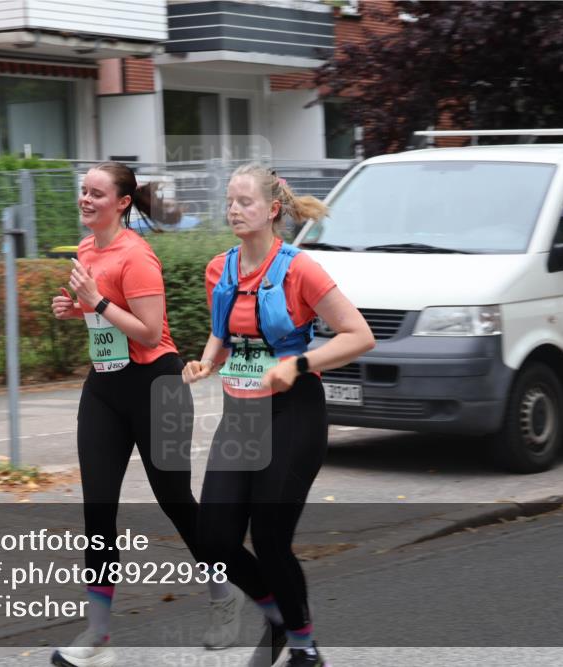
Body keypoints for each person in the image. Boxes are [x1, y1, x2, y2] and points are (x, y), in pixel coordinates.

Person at [182, 163, 375, 667]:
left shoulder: (299, 269)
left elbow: (359, 335)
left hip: (294, 414)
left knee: (269, 539)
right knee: (215, 538)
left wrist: (300, 364)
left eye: (245, 201)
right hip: (241, 415)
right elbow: (225, 332)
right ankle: (275, 614)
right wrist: (206, 360)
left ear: (271, 210)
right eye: (229, 201)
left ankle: (304, 646)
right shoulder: (218, 269)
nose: (233, 210)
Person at [49, 162, 240, 667]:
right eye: (83, 191)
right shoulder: (88, 250)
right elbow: (107, 320)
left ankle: (225, 596)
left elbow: (151, 333)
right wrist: (79, 311)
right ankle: (98, 632)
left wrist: (99, 301)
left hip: (157, 386)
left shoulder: (138, 256)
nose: (85, 200)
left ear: (122, 202)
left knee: (176, 501)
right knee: (97, 509)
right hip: (105, 388)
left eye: (96, 193)